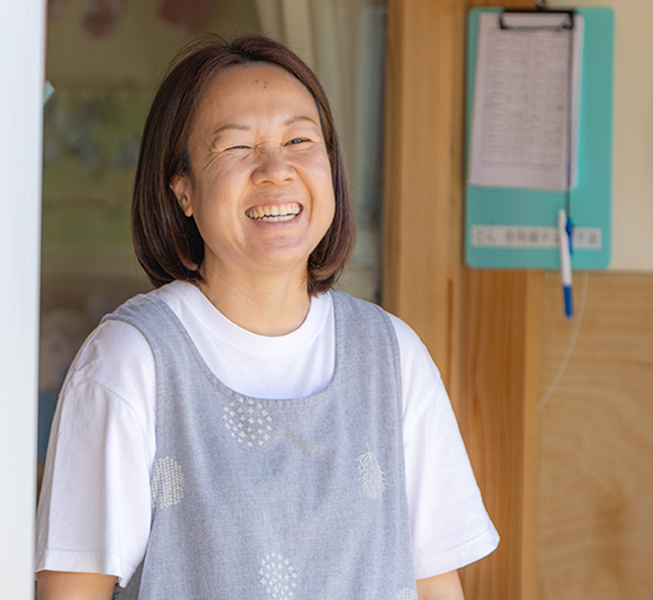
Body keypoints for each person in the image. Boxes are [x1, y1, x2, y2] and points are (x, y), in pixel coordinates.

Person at [34, 35, 498, 599]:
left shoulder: (392, 355)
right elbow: (73, 591)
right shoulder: (131, 360)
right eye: (236, 148)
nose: (276, 170)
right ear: (182, 188)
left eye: (299, 140)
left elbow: (434, 583)